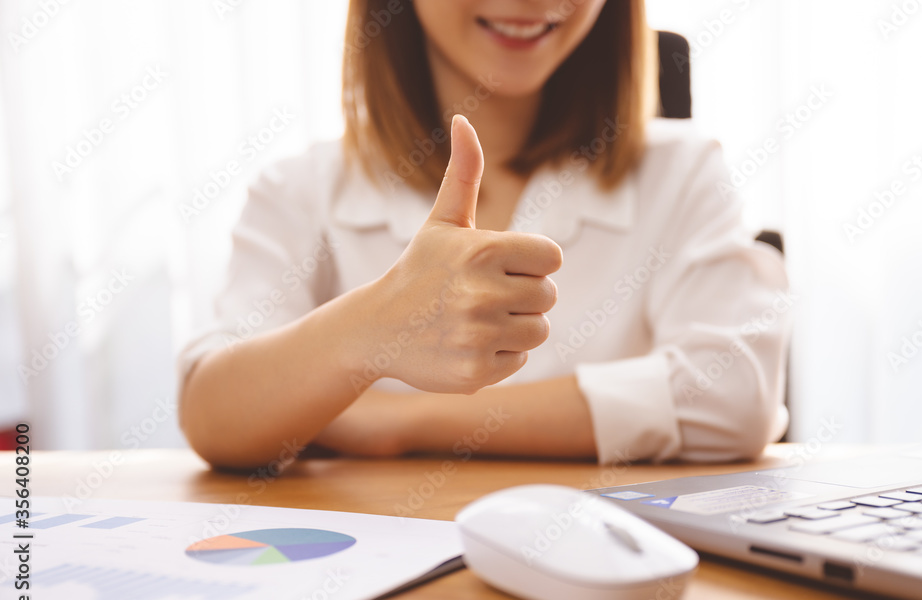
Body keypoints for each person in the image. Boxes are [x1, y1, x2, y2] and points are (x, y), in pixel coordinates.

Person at [178, 0, 791, 470]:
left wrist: (401, 421)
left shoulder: (682, 169)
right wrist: (374, 326)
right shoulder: (301, 189)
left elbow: (736, 396)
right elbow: (215, 411)